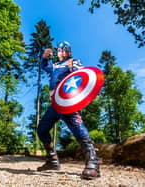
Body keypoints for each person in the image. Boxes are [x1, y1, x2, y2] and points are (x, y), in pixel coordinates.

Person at [37, 41, 100, 179]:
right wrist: (45, 57)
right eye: (60, 49)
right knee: (42, 130)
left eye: (65, 49)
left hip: (67, 102)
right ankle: (52, 160)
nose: (62, 51)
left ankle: (93, 163)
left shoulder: (73, 62)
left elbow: (82, 75)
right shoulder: (55, 66)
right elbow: (44, 66)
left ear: (69, 52)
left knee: (78, 129)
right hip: (54, 104)